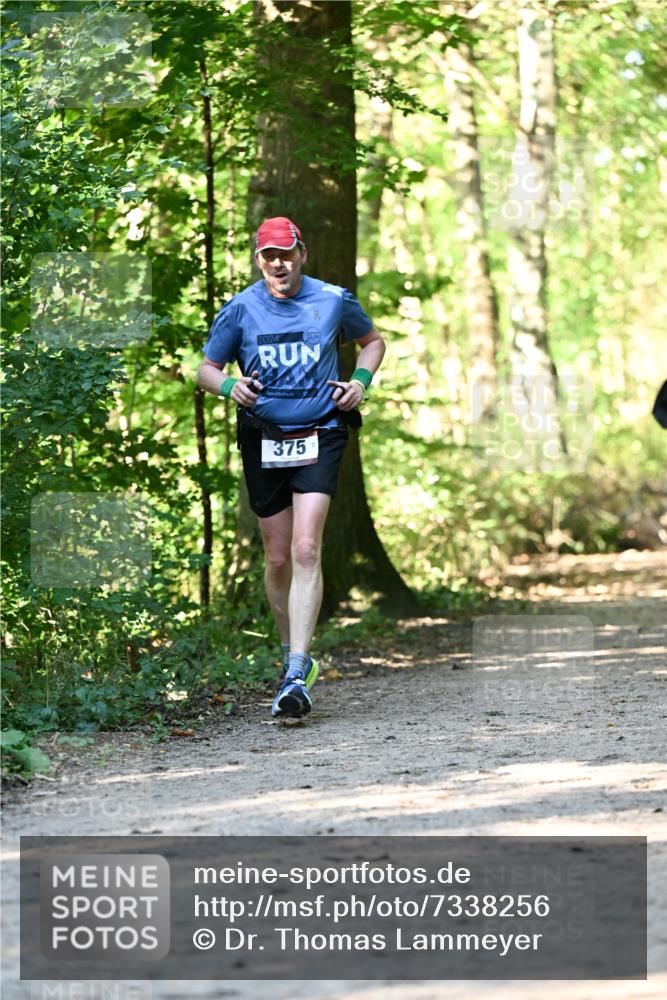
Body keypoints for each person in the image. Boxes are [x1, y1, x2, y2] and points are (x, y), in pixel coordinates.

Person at [197, 216, 386, 718]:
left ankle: (298, 670)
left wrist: (360, 383)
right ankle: (290, 658)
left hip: (321, 432)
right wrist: (227, 386)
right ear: (259, 260)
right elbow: (205, 369)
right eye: (268, 256)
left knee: (306, 548)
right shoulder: (240, 309)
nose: (278, 264)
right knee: (278, 558)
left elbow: (372, 341)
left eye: (287, 253)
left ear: (303, 253)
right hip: (263, 438)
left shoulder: (332, 299)